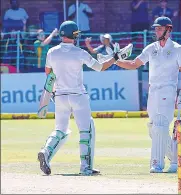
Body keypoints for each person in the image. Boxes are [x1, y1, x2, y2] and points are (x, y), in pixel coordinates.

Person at [37, 21, 132, 176]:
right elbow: (100, 67)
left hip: (60, 96)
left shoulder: (51, 52)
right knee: (86, 130)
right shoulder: (79, 52)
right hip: (78, 96)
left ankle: (45, 152)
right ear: (74, 35)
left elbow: (48, 73)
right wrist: (115, 57)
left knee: (60, 129)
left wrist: (53, 91)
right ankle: (85, 167)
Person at [114, 16, 181, 173]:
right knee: (152, 127)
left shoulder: (177, 49)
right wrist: (116, 61)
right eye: (155, 28)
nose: (156, 31)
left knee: (161, 124)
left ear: (169, 30)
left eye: (160, 28)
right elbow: (135, 64)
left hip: (168, 89)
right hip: (153, 90)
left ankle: (157, 164)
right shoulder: (151, 48)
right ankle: (176, 158)